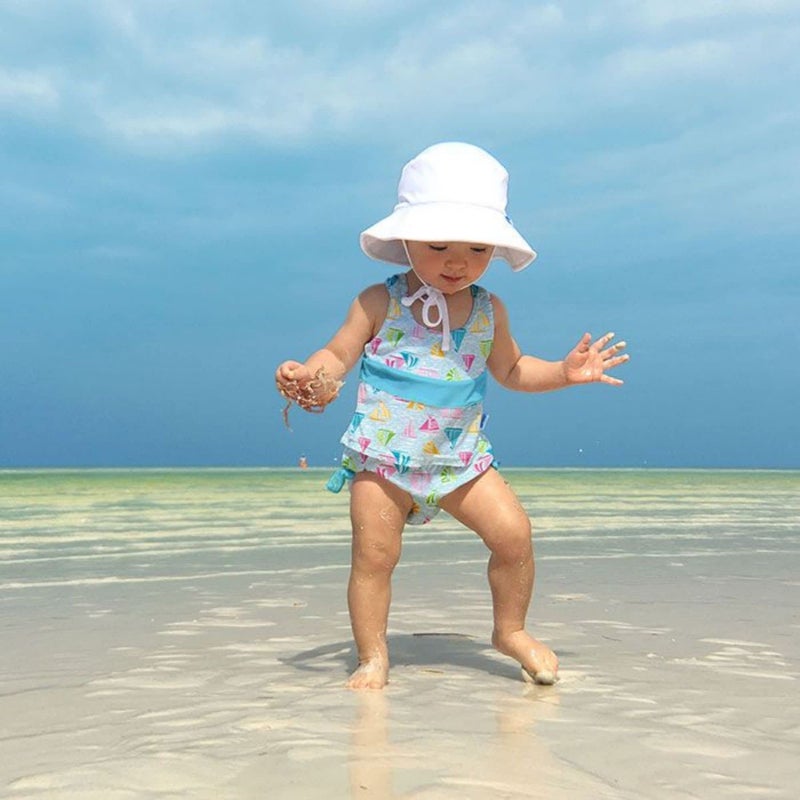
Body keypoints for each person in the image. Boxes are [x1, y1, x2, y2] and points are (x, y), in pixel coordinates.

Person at [275, 142, 629, 690]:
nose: (457, 261)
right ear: (407, 239)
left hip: (460, 460)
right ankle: (372, 656)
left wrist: (563, 372)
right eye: (438, 245)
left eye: (477, 248)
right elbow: (339, 355)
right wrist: (313, 378)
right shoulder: (378, 303)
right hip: (383, 460)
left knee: (514, 536)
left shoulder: (489, 311)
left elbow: (511, 370)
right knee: (375, 556)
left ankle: (509, 630)